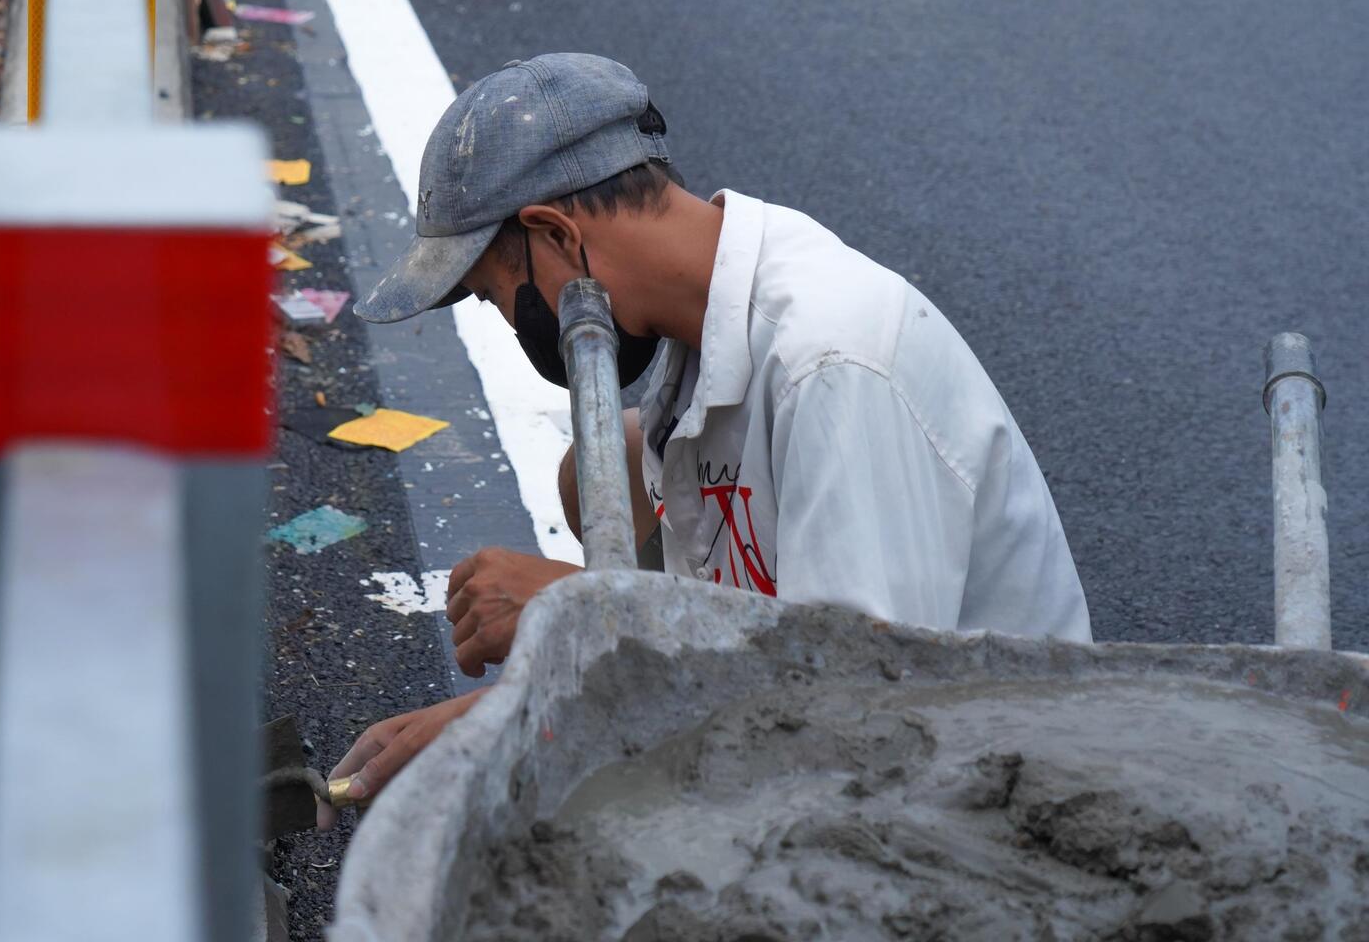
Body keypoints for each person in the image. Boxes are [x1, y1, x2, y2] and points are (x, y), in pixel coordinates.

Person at [317, 53, 1090, 825]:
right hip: (852, 724)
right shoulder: (708, 312)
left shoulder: (830, 363)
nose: (509, 318)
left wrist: (579, 612)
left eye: (494, 294)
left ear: (555, 234)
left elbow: (857, 705)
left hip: (978, 799)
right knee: (600, 467)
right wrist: (502, 707)